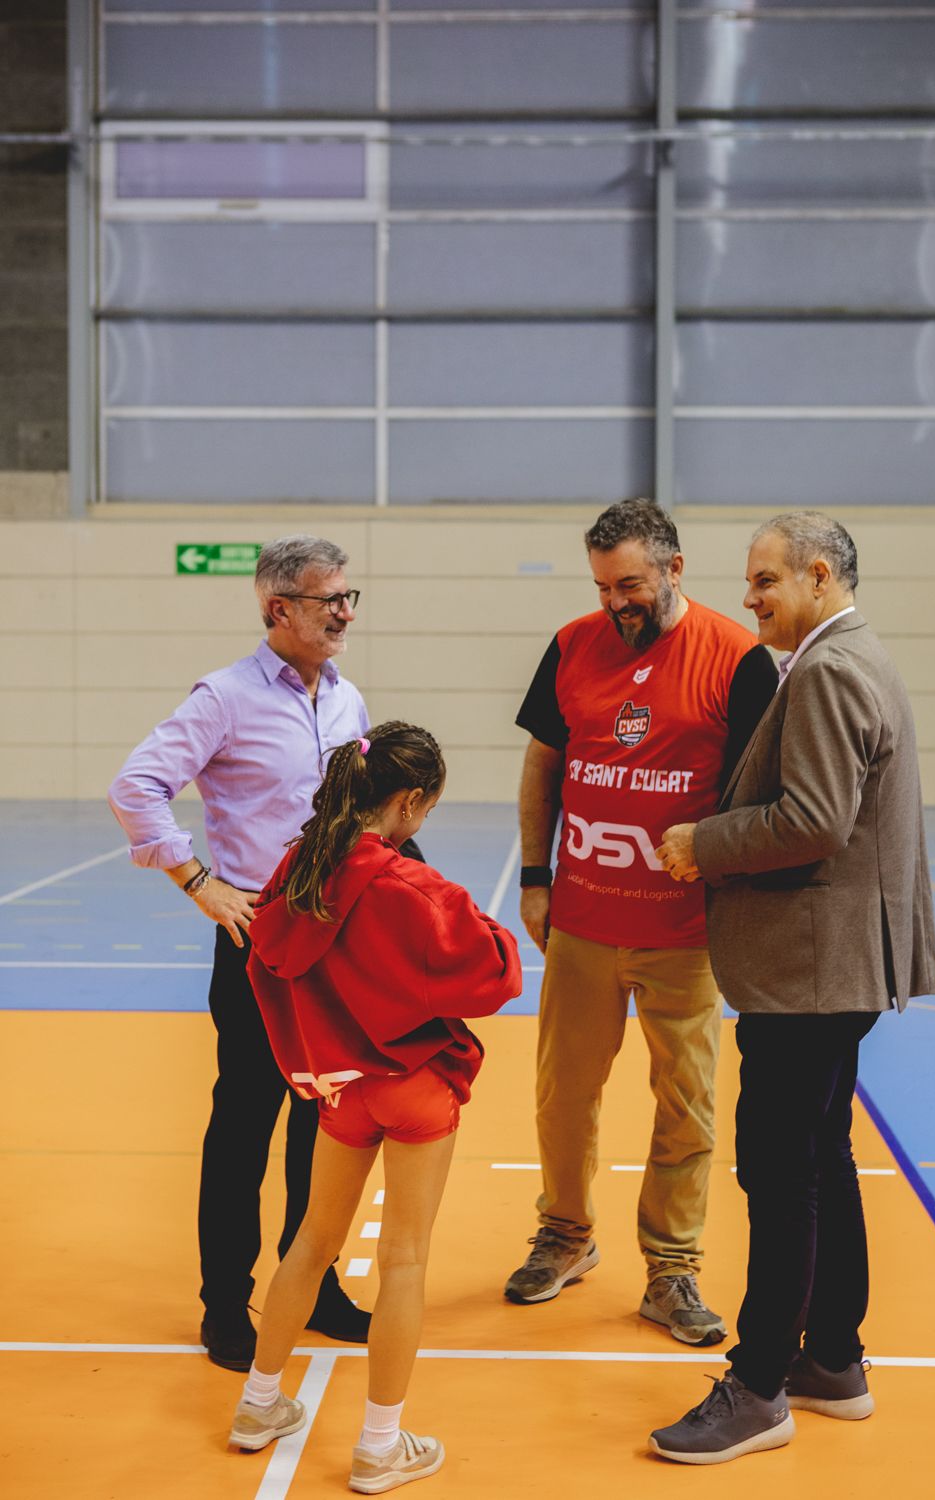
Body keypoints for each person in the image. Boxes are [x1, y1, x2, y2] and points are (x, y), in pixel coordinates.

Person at [650, 511, 935, 1465]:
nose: (750, 598)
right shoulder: (853, 656)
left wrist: (703, 845)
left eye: (765, 581)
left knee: (778, 1177)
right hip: (834, 964)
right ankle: (833, 1361)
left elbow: (813, 820)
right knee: (819, 1162)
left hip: (810, 971)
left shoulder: (825, 670)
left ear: (818, 576)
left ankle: (762, 1384)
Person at [504, 498, 777, 1344]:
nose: (614, 602)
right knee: (563, 1095)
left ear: (674, 568)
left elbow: (760, 798)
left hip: (686, 933)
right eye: (601, 587)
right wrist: (537, 877)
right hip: (581, 920)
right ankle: (566, 1235)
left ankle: (672, 1269)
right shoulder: (571, 645)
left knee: (686, 1104)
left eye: (628, 584)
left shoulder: (740, 659)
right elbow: (544, 763)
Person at [226, 722, 522, 1493]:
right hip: (415, 1084)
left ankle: (259, 1404)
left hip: (340, 1085)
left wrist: (307, 1060)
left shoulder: (297, 867)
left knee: (310, 1242)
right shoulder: (408, 887)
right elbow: (495, 973)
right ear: (412, 801)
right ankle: (379, 1446)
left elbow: (267, 962)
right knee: (404, 1259)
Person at [108, 534, 375, 1371]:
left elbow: (357, 813)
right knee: (244, 1128)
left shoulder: (346, 700)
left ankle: (314, 1283)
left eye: (347, 596)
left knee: (322, 1126)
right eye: (328, 599)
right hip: (259, 943)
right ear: (277, 609)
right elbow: (136, 787)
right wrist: (198, 882)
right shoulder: (223, 699)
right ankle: (225, 1304)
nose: (343, 612)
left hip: (334, 943)